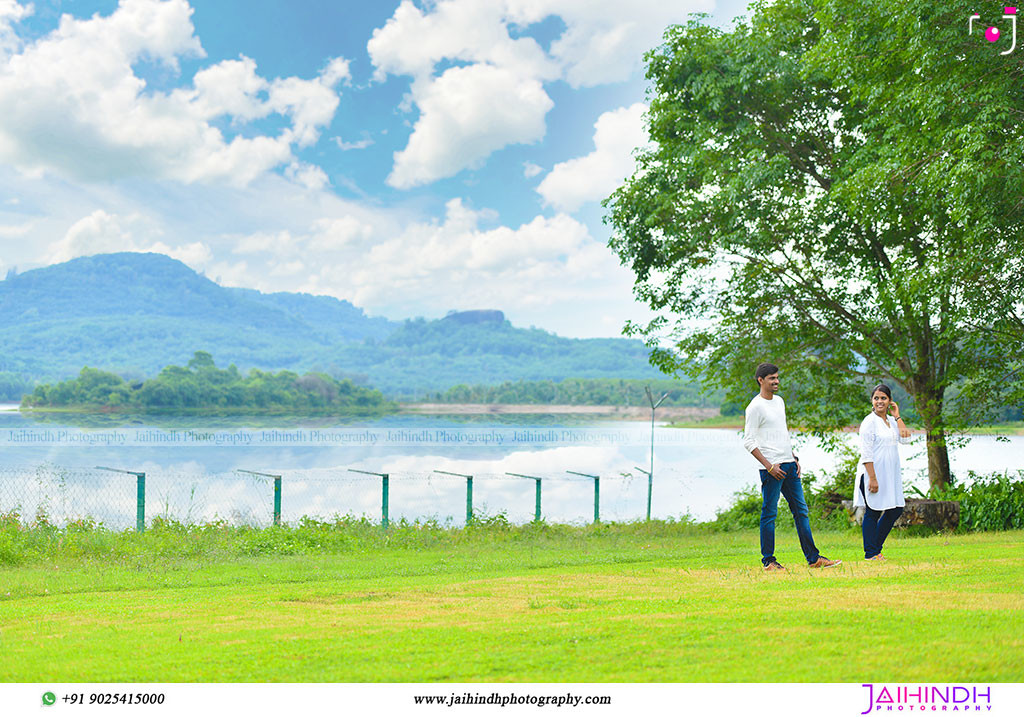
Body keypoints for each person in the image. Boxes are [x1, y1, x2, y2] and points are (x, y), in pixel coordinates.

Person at [743, 362, 841, 570]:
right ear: (761, 380)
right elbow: (749, 442)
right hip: (773, 469)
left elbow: (781, 433)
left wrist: (793, 457)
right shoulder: (755, 407)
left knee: (801, 511)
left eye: (777, 377)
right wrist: (769, 467)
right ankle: (769, 561)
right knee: (769, 513)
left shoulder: (779, 402)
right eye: (772, 378)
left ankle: (814, 559)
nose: (776, 381)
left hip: (789, 465)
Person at [854, 383, 911, 560]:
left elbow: (906, 439)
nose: (880, 401)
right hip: (872, 474)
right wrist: (872, 478)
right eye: (876, 398)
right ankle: (871, 553)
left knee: (896, 509)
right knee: (873, 512)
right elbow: (867, 453)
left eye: (883, 398)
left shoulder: (891, 422)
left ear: (889, 401)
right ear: (872, 401)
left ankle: (875, 548)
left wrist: (898, 416)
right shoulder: (869, 422)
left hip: (890, 476)